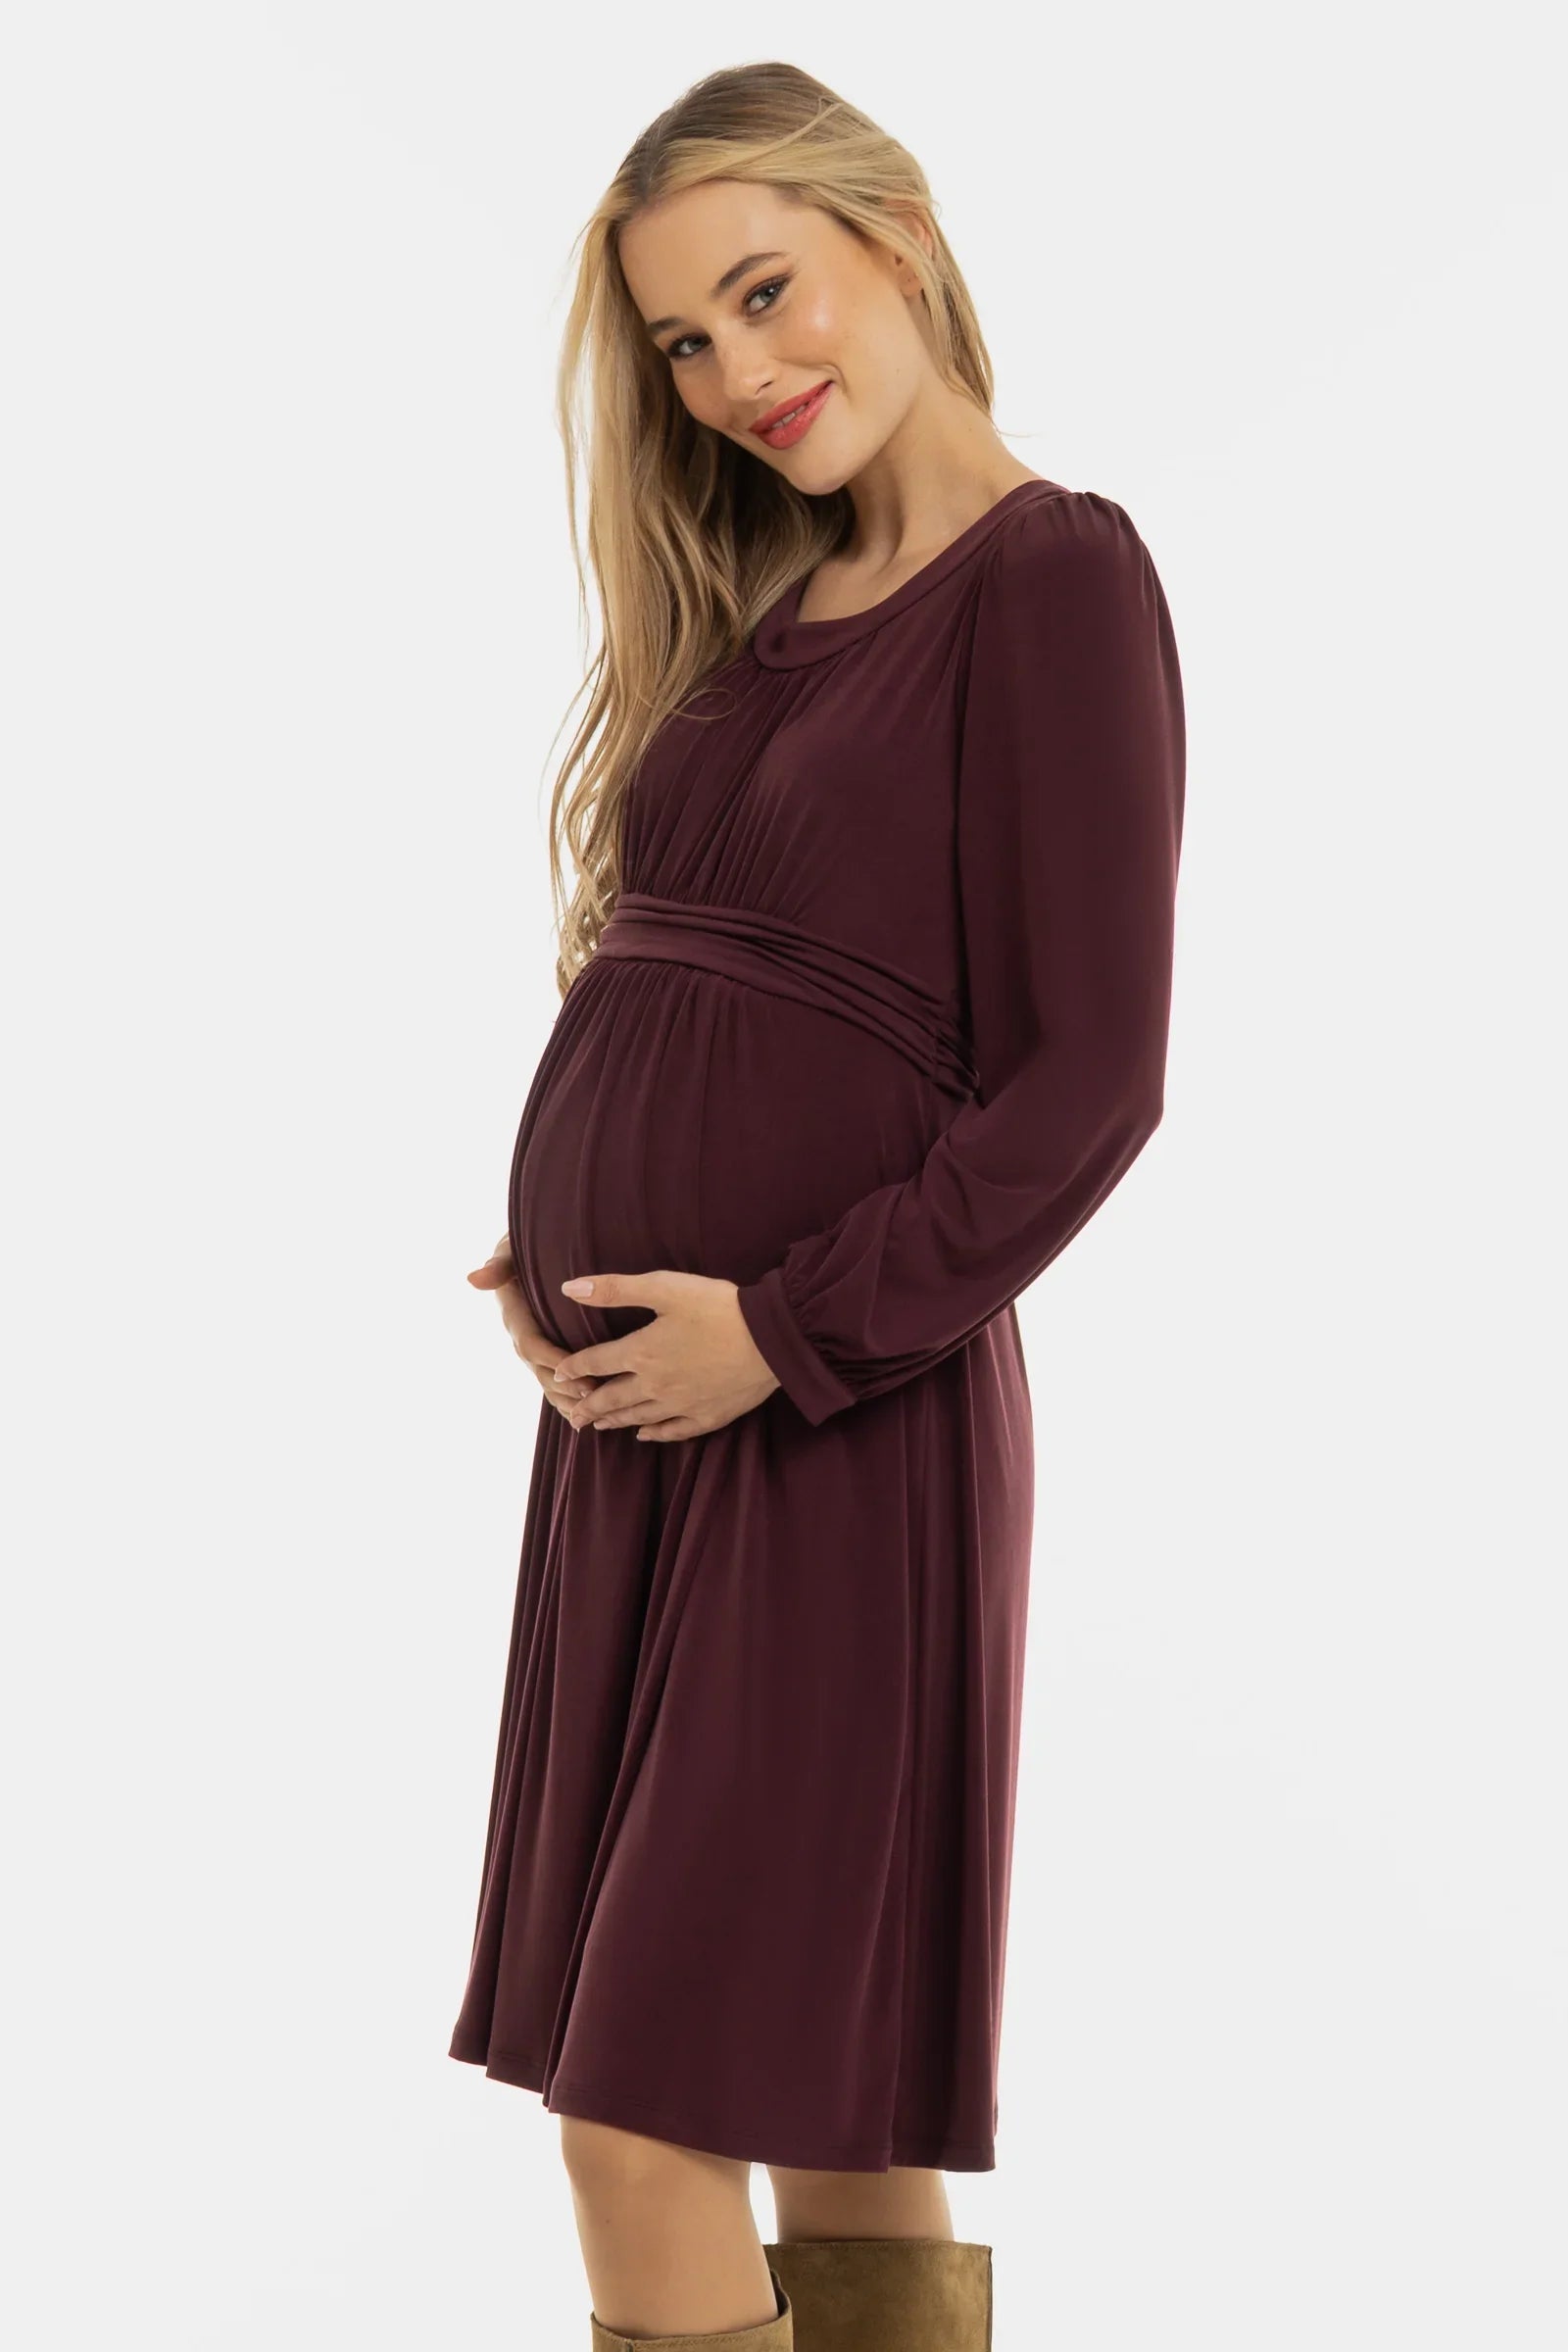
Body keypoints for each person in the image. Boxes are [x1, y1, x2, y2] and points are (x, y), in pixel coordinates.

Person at [450, 59, 1186, 2352]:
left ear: (899, 234)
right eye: (682, 342)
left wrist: (777, 1329)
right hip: (653, 1441)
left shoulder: (1050, 578)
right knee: (818, 2104)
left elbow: (1089, 1081)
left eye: (766, 292)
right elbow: (720, 993)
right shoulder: (764, 615)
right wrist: (564, 1247)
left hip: (834, 1426)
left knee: (638, 2114)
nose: (736, 374)